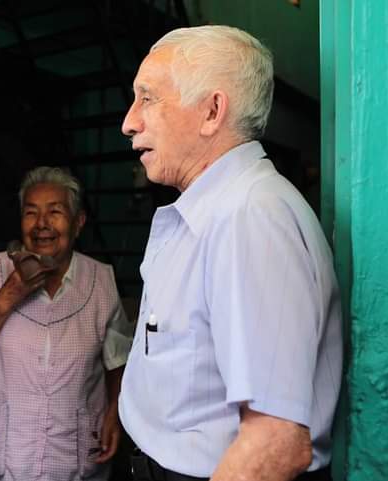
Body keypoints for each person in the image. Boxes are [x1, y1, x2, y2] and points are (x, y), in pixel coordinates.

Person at [119, 26, 342, 481]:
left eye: (148, 99)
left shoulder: (250, 217)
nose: (129, 121)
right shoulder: (215, 209)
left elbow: (276, 442)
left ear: (212, 111)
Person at [0, 166, 133, 481]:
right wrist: (11, 292)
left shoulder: (100, 281)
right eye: (31, 213)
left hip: (77, 462)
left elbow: (116, 361)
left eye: (55, 212)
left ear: (78, 223)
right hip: (7, 462)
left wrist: (114, 412)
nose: (42, 224)